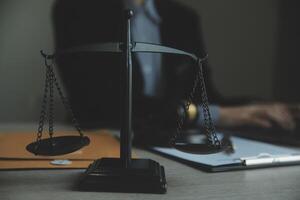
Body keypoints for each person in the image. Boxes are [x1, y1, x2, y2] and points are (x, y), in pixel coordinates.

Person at [53, 0, 298, 144]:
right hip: (105, 141)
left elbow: (206, 98)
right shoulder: (75, 11)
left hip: (170, 143)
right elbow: (98, 104)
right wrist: (212, 114)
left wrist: (256, 107)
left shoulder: (182, 18)